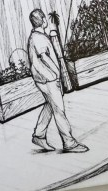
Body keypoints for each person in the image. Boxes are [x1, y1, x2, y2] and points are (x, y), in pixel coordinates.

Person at [27, 8, 88, 154]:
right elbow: (44, 57)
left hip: (43, 79)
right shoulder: (39, 38)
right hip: (48, 79)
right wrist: (56, 73)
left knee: (50, 105)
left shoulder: (35, 36)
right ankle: (69, 142)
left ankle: (39, 135)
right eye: (44, 18)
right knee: (59, 110)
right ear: (43, 20)